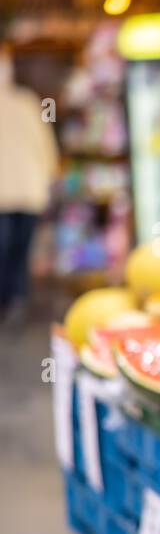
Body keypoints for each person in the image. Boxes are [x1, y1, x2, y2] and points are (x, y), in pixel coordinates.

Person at [0, 43, 58, 326]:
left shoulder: (26, 102)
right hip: (27, 192)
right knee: (16, 252)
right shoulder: (28, 101)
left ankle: (13, 302)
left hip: (21, 193)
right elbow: (47, 149)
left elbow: (44, 147)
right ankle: (15, 302)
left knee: (13, 251)